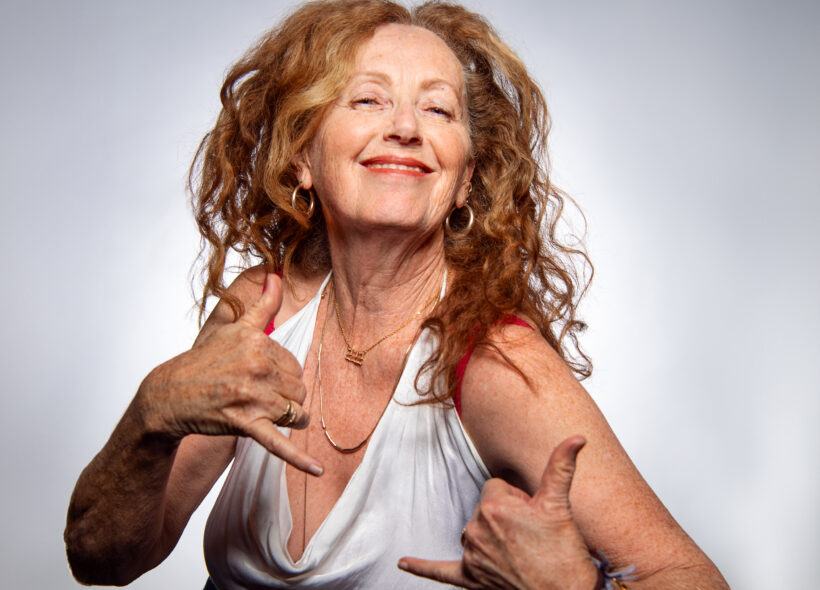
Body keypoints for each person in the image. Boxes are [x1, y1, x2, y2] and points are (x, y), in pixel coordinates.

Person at [64, 1, 728, 588]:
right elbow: (103, 560)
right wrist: (150, 414)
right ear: (302, 158)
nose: (405, 127)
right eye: (367, 100)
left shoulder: (492, 365)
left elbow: (689, 577)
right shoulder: (261, 312)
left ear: (464, 177)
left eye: (437, 109)